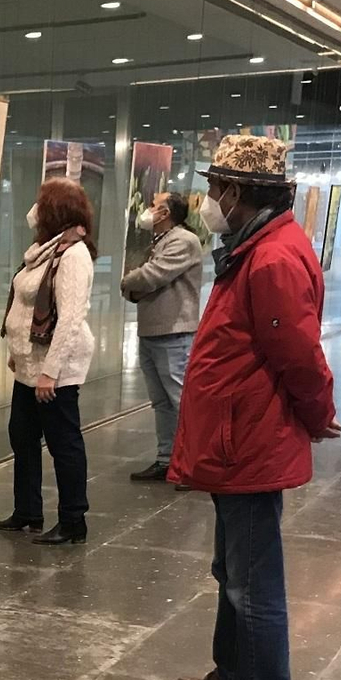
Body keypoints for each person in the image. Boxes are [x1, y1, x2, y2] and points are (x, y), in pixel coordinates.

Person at [169, 135, 341, 680]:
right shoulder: (254, 246)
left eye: (214, 190)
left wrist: (318, 412)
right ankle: (233, 670)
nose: (208, 200)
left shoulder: (270, 258)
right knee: (232, 568)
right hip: (235, 436)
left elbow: (297, 351)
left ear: (237, 193)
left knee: (251, 578)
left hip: (249, 440)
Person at [0, 176, 97, 546]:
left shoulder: (73, 255)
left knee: (63, 443)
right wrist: (17, 354)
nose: (33, 212)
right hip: (28, 366)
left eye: (41, 203)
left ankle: (73, 520)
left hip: (54, 372)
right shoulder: (44, 250)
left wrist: (50, 372)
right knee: (22, 438)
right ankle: (27, 512)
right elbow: (25, 305)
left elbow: (68, 321)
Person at [121, 191, 204, 482]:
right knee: (161, 402)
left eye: (154, 206)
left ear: (166, 213)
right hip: (152, 331)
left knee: (179, 400)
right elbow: (141, 277)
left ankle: (193, 465)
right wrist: (135, 283)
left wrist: (128, 282)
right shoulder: (159, 241)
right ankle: (166, 458)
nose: (148, 210)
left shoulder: (183, 240)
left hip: (173, 333)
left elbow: (150, 276)